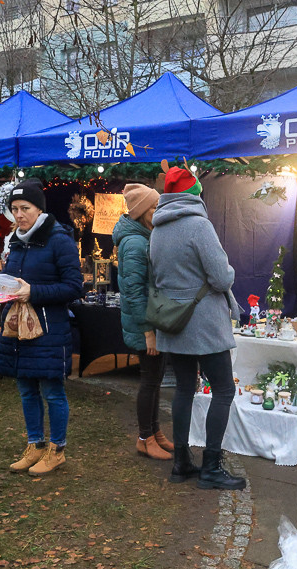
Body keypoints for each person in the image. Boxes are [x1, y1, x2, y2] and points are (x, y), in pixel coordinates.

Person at [0, 178, 83, 476]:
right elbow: (14, 283)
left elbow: (74, 287)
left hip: (48, 330)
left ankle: (57, 449)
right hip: (17, 330)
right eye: (14, 209)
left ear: (40, 209)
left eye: (25, 208)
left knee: (52, 391)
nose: (19, 214)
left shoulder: (59, 240)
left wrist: (33, 293)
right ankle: (35, 445)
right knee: (26, 390)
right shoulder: (15, 240)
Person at [150, 167, 243, 490]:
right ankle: (212, 468)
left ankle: (181, 461)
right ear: (195, 194)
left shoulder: (157, 228)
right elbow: (221, 277)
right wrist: (228, 269)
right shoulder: (199, 226)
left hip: (173, 321)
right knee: (223, 389)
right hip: (204, 323)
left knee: (184, 389)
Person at [114, 183, 173, 461]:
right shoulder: (135, 243)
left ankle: (155, 432)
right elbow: (133, 291)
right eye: (155, 207)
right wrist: (148, 331)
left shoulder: (145, 236)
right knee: (149, 381)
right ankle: (144, 437)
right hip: (145, 325)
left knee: (156, 379)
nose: (159, 211)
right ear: (142, 212)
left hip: (153, 320)